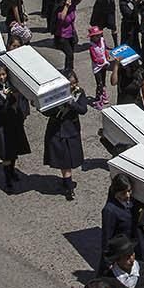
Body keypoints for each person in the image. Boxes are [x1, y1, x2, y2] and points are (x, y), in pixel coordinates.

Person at [44, 71, 90, 201]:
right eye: (70, 84)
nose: (73, 86)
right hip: (57, 130)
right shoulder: (55, 93)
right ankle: (68, 186)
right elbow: (47, 112)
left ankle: (67, 184)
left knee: (68, 160)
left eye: (74, 83)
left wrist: (71, 102)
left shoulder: (79, 92)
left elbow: (83, 110)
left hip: (71, 130)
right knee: (63, 160)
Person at [0, 62, 31, 192]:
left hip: (14, 121)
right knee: (6, 153)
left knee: (13, 149)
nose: (2, 77)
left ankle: (12, 171)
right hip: (2, 123)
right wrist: (9, 96)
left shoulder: (11, 84)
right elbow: (0, 106)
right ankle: (7, 181)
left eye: (3, 74)